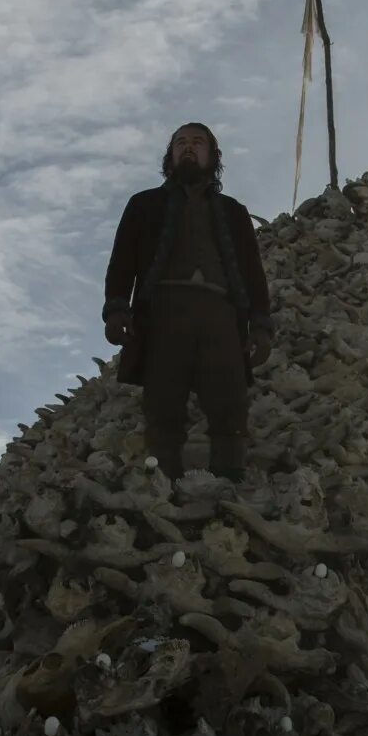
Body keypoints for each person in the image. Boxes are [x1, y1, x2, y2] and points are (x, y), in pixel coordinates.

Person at [103, 122, 274, 482]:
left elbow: (252, 273)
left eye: (198, 142)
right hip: (165, 312)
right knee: (163, 406)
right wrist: (117, 308)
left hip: (221, 315)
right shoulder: (144, 204)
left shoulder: (233, 212)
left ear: (212, 156)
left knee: (229, 405)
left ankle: (228, 485)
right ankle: (165, 487)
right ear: (171, 155)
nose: (188, 148)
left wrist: (260, 325)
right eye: (181, 142)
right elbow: (122, 261)